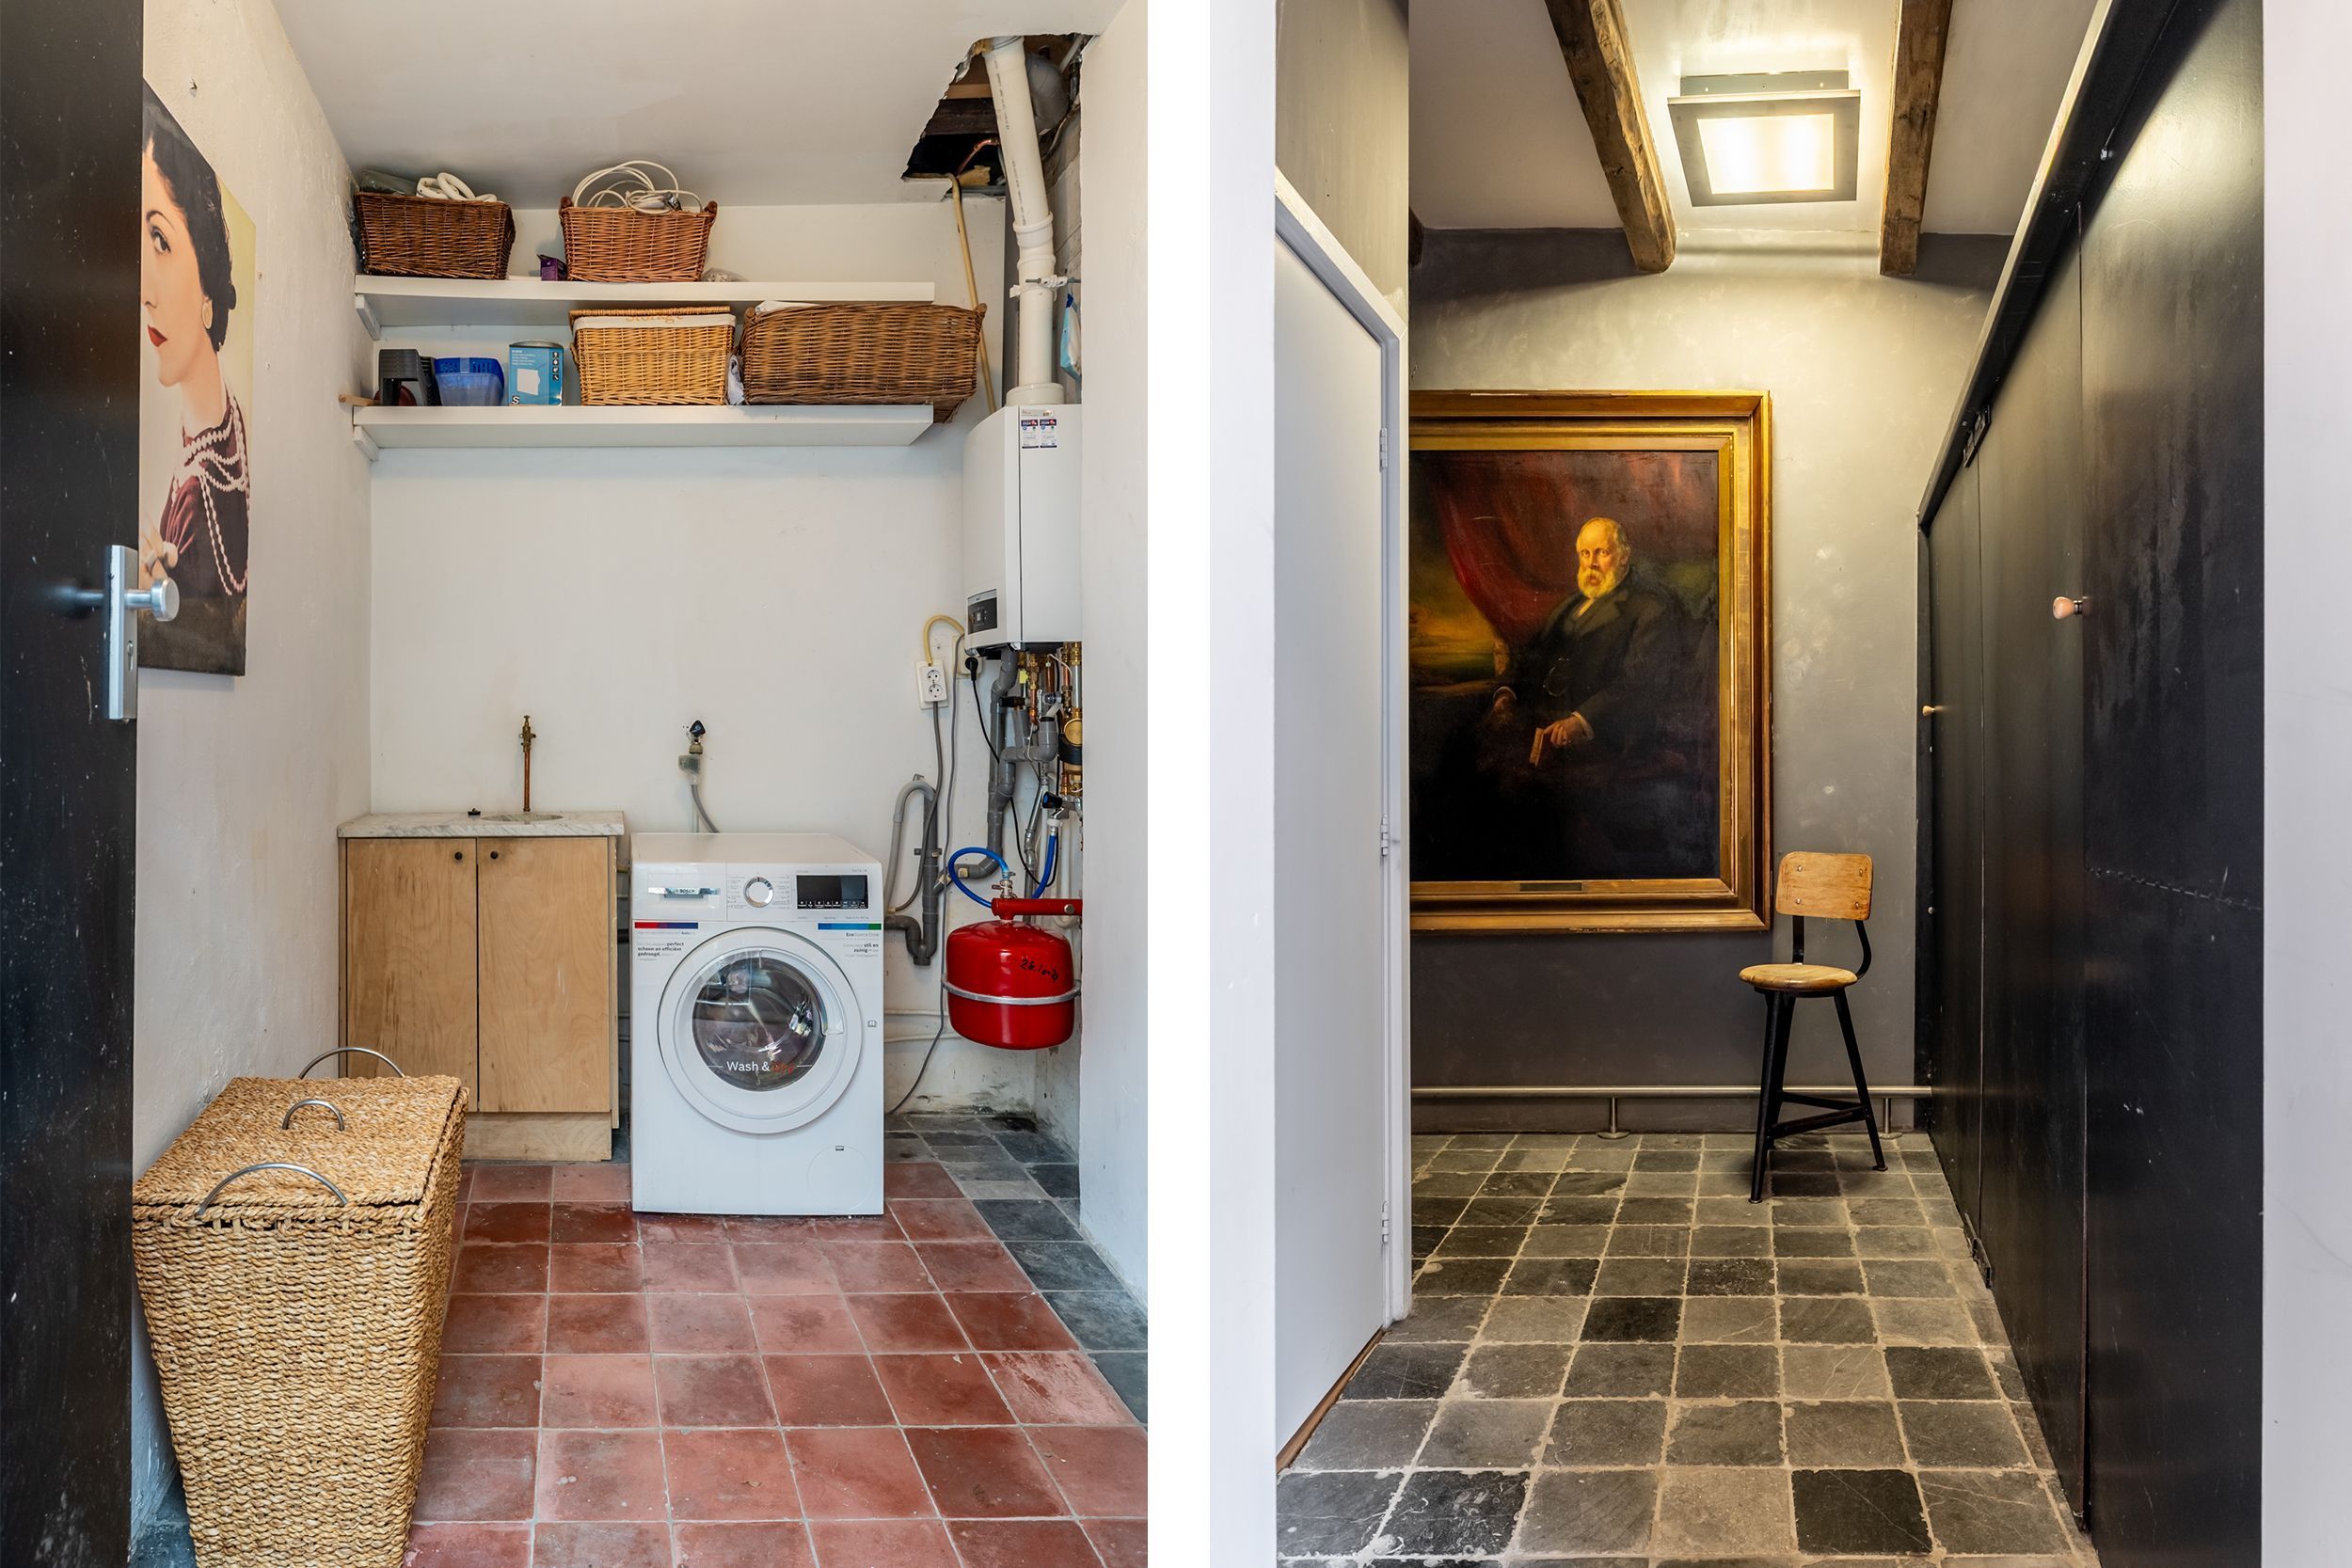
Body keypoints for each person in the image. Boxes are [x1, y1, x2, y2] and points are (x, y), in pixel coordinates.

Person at [1485, 515, 1689, 875]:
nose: (1592, 563)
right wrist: (1506, 694)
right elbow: (1531, 657)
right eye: (1585, 554)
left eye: (1602, 553)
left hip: (1608, 741)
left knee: (1530, 803)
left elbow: (1640, 683)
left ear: (1623, 556)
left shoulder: (1649, 608)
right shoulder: (1569, 606)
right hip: (1544, 735)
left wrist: (1582, 720)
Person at [139, 88, 249, 648]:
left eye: (160, 240)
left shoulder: (200, 489)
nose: (144, 291)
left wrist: (149, 600)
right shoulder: (227, 431)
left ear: (208, 288)